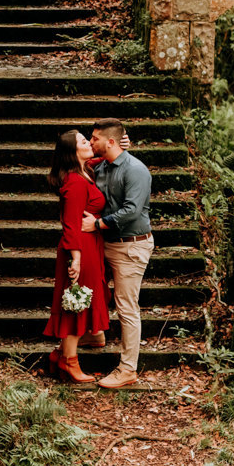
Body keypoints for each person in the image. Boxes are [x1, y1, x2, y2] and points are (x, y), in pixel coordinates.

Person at [83, 117, 153, 389]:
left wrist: (97, 224)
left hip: (131, 245)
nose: (90, 142)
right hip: (106, 243)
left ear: (110, 141)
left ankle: (127, 370)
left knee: (126, 307)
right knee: (93, 288)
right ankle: (95, 333)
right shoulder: (101, 165)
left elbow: (132, 210)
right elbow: (80, 163)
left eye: (95, 139)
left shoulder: (136, 170)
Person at [43, 130, 109, 383]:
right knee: (76, 302)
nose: (90, 143)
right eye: (84, 142)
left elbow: (98, 159)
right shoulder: (76, 182)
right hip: (79, 248)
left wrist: (121, 147)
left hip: (89, 246)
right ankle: (70, 361)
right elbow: (70, 224)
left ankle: (60, 354)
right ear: (73, 152)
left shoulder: (84, 172)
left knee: (83, 299)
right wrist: (77, 259)